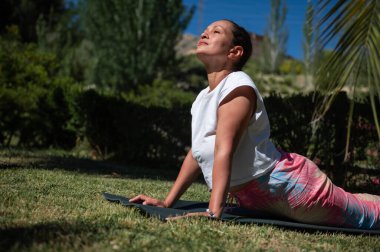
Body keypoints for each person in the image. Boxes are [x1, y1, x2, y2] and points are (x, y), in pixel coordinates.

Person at [130, 19, 380, 229]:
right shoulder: (202, 98)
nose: (205, 33)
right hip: (258, 196)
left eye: (216, 31)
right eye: (206, 30)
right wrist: (167, 202)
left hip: (291, 186)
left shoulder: (238, 85)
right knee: (356, 202)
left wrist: (213, 212)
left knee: (366, 218)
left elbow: (224, 148)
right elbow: (197, 152)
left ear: (234, 52)